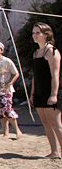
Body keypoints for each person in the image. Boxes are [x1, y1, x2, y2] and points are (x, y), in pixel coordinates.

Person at [30, 22, 61, 159]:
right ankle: (54, 152)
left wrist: (53, 94)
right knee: (45, 122)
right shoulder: (36, 53)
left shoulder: (52, 51)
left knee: (56, 123)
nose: (35, 35)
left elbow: (55, 75)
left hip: (50, 91)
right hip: (39, 92)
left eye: (38, 33)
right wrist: (32, 93)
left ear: (46, 34)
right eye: (33, 33)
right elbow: (35, 76)